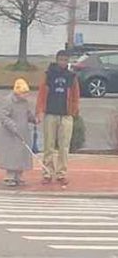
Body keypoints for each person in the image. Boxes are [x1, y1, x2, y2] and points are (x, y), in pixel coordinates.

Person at [36, 49, 80, 186]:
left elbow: (75, 95)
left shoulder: (71, 76)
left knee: (64, 146)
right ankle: (47, 172)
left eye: (65, 60)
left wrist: (73, 111)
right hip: (51, 113)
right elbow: (42, 93)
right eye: (61, 59)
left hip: (66, 115)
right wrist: (39, 111)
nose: (63, 62)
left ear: (68, 61)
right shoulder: (48, 75)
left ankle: (61, 173)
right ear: (57, 60)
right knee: (49, 145)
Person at [0, 78, 36, 187]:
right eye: (24, 93)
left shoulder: (25, 102)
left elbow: (27, 114)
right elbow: (3, 116)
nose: (26, 95)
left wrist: (34, 119)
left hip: (23, 131)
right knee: (11, 154)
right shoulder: (8, 101)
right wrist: (13, 126)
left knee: (22, 154)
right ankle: (10, 175)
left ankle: (19, 174)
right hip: (11, 133)